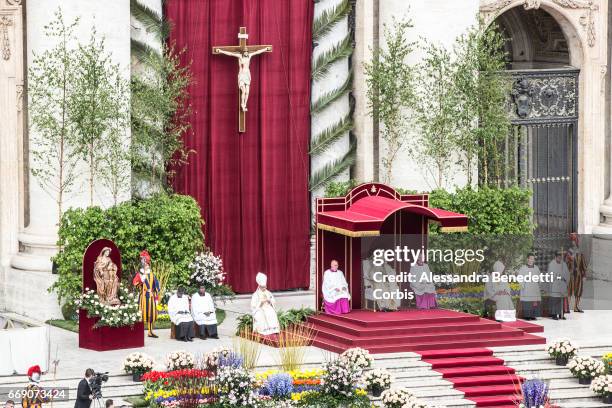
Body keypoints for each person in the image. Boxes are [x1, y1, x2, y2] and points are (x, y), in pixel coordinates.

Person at [132, 250, 160, 338]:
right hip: (143, 297)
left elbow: (156, 286)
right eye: (145, 264)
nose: (147, 265)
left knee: (151, 315)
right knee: (141, 314)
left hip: (151, 297)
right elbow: (135, 284)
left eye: (147, 264)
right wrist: (141, 281)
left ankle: (150, 332)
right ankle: (138, 333)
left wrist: (156, 297)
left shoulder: (152, 274)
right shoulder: (139, 274)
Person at [566, 233, 587, 313]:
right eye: (572, 240)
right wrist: (569, 260)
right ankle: (567, 307)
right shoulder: (569, 252)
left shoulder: (580, 252)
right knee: (569, 291)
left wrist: (584, 274)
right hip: (571, 274)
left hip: (578, 275)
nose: (573, 242)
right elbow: (565, 263)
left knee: (578, 291)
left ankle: (576, 307)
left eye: (574, 240)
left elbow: (583, 263)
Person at [517, 253, 541, 320]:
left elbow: (540, 277)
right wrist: (523, 284)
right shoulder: (523, 268)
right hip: (527, 288)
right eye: (530, 258)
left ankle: (533, 315)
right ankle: (527, 316)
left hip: (534, 288)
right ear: (527, 259)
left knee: (534, 302)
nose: (532, 260)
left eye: (533, 259)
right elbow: (519, 277)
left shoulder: (536, 268)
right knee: (527, 303)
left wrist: (539, 282)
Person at [549, 251, 570, 320]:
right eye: (558, 257)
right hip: (555, 285)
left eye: (561, 258)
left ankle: (561, 314)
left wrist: (564, 277)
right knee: (555, 300)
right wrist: (558, 277)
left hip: (562, 285)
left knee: (562, 300)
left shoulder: (564, 264)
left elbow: (567, 274)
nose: (559, 259)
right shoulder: (552, 264)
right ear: (555, 257)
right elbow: (551, 275)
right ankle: (554, 315)